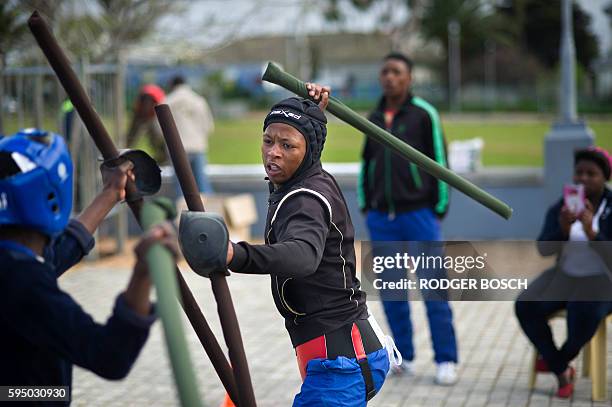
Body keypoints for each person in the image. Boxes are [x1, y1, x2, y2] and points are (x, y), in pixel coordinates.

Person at [180, 84, 399, 406]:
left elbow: (302, 255)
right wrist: (309, 112)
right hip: (340, 354)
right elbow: (303, 136)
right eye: (268, 140)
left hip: (342, 365)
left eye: (287, 145)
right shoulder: (304, 181)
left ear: (308, 151)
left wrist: (234, 254)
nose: (273, 152)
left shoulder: (306, 199)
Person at [0, 128, 175, 403]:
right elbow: (109, 356)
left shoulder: (14, 262)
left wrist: (110, 194)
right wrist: (143, 272)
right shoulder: (26, 283)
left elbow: (57, 254)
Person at [358, 52, 458, 385]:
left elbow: (441, 163)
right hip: (382, 219)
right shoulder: (372, 116)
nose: (389, 77)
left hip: (420, 216)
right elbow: (367, 164)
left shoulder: (423, 114)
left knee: (434, 290)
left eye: (396, 72)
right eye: (385, 71)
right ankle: (405, 356)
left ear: (409, 78)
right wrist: (366, 205)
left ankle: (446, 359)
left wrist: (437, 207)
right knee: (392, 292)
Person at [515, 147, 612, 398]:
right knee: (525, 305)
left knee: (583, 311)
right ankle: (562, 370)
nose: (583, 179)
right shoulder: (563, 206)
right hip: (567, 274)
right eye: (579, 173)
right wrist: (562, 230)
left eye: (592, 174)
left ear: (605, 178)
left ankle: (556, 361)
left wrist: (593, 234)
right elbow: (543, 248)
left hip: (602, 280)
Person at [165, 75, 215, 194]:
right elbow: (209, 126)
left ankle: (182, 212)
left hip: (177, 149)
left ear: (172, 85)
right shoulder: (199, 100)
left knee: (181, 188)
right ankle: (209, 211)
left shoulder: (167, 101)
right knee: (202, 185)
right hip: (198, 147)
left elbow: (159, 128)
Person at [125, 84, 167, 163]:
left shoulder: (157, 110)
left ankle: (162, 157)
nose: (146, 106)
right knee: (132, 136)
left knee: (157, 137)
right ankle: (125, 155)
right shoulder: (140, 109)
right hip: (142, 116)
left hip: (153, 116)